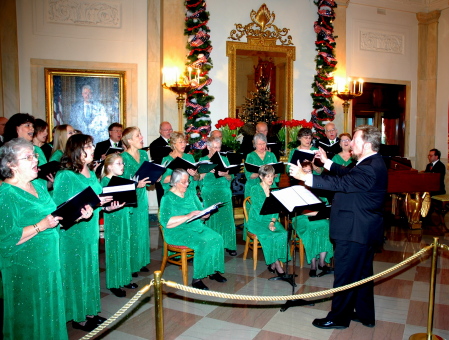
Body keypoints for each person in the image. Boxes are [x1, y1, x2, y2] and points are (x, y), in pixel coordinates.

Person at [289, 124, 387, 330]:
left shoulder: (369, 167)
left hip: (354, 231)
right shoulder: (371, 162)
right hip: (362, 230)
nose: (350, 143)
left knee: (345, 275)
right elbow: (347, 174)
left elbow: (342, 184)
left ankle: (338, 318)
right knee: (361, 275)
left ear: (367, 144)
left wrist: (306, 177)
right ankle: (365, 314)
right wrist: (327, 163)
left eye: (355, 140)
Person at [0, 138, 67, 339]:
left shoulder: (39, 185)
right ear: (10, 164)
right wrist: (41, 226)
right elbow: (6, 240)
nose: (35, 160)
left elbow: (53, 217)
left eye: (35, 155)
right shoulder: (5, 194)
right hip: (24, 268)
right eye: (28, 157)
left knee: (49, 312)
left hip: (49, 264)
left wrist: (76, 214)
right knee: (29, 319)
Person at [53, 134, 114, 331]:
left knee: (89, 271)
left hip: (90, 230)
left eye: (92, 145)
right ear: (77, 150)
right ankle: (78, 317)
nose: (92, 148)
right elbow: (59, 209)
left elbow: (94, 200)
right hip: (73, 233)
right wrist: (83, 210)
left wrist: (105, 206)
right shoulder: (65, 175)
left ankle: (90, 311)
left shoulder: (89, 170)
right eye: (88, 146)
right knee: (76, 274)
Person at [159, 168, 226, 290]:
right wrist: (187, 216)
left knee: (217, 238)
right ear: (175, 182)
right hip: (177, 231)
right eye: (183, 182)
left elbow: (199, 210)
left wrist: (205, 214)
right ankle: (197, 278)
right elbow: (166, 222)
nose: (187, 184)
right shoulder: (167, 198)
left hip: (195, 226)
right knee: (202, 242)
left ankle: (212, 271)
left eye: (188, 181)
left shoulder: (190, 192)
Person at [100, 154, 136, 297]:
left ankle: (124, 278)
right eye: (119, 163)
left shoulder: (119, 181)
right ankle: (114, 283)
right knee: (114, 251)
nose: (122, 166)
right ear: (109, 166)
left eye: (122, 163)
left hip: (123, 218)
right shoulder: (104, 182)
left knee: (124, 248)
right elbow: (103, 204)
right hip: (113, 218)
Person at [246, 165, 288, 276]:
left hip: (271, 220)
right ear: (261, 176)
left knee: (283, 233)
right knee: (269, 235)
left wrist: (272, 222)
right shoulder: (255, 189)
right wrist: (269, 196)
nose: (271, 179)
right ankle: (277, 266)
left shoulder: (274, 187)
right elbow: (261, 208)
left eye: (272, 176)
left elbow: (276, 209)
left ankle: (273, 263)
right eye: (267, 176)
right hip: (257, 221)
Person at [121, 127, 152, 275]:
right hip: (130, 199)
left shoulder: (144, 154)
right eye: (137, 136)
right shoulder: (123, 158)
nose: (141, 137)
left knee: (142, 230)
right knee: (132, 232)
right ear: (129, 141)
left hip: (142, 197)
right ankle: (132, 264)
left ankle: (141, 261)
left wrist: (154, 177)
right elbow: (119, 183)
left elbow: (148, 176)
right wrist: (134, 184)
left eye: (140, 134)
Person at [294, 163, 333, 277]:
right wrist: (315, 213)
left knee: (326, 225)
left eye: (309, 171)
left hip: (318, 216)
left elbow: (326, 203)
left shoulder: (318, 185)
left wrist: (324, 213)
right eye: (304, 171)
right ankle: (313, 264)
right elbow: (297, 210)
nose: (307, 173)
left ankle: (321, 261)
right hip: (302, 218)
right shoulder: (297, 187)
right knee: (311, 228)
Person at [199, 137, 237, 256]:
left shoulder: (225, 159)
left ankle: (229, 245)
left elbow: (231, 177)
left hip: (223, 191)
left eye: (219, 148)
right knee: (211, 218)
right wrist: (205, 171)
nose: (217, 150)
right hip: (209, 192)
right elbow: (198, 179)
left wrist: (226, 174)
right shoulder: (202, 160)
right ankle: (212, 243)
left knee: (227, 219)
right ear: (208, 147)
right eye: (215, 148)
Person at [161, 132, 200, 196]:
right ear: (174, 144)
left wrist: (195, 174)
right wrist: (180, 176)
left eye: (184, 142)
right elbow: (163, 179)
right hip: (173, 193)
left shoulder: (189, 157)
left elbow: (197, 177)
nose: (184, 145)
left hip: (190, 193)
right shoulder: (166, 159)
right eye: (181, 142)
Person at [149, 121, 173, 204]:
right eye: (166, 130)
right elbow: (157, 160)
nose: (169, 132)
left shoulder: (176, 142)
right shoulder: (155, 144)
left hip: (175, 174)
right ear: (160, 131)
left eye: (170, 129)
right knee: (163, 200)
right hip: (162, 175)